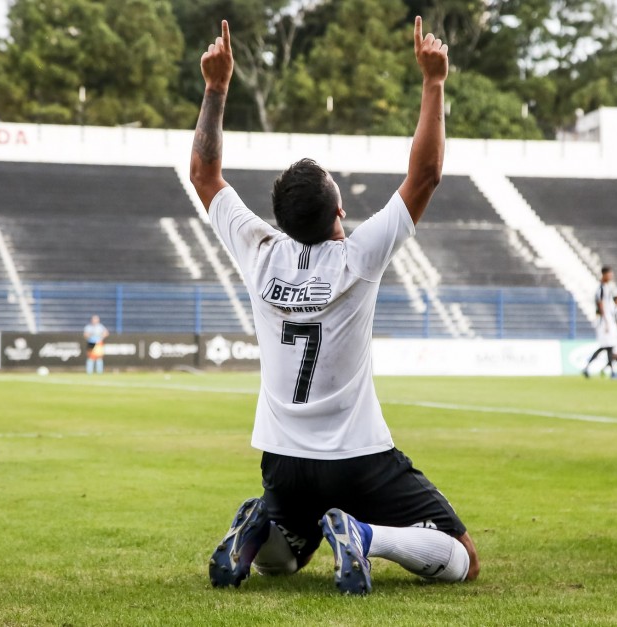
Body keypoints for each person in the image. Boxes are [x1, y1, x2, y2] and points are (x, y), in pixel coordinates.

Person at [190, 19, 478, 595]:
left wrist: (217, 88)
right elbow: (426, 174)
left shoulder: (260, 251)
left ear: (282, 219)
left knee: (286, 560)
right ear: (338, 210)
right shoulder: (358, 258)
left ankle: (258, 530)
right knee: (463, 557)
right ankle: (369, 538)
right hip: (357, 457)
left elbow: (204, 174)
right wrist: (434, 82)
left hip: (282, 461)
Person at [583, 266, 617, 379]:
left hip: (607, 321)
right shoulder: (601, 289)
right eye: (609, 274)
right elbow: (600, 305)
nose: (611, 276)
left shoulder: (606, 287)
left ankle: (588, 368)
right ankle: (612, 373)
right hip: (604, 322)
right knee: (608, 346)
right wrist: (606, 322)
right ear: (604, 274)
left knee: (607, 347)